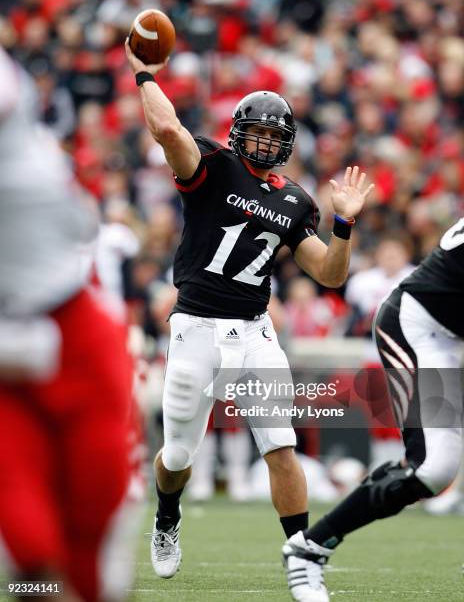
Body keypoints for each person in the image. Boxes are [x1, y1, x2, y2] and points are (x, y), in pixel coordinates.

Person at [125, 40, 374, 580]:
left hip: (255, 332)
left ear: (286, 144)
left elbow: (329, 274)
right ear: (239, 132)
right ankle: (167, 515)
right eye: (256, 132)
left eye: (273, 136)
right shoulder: (213, 165)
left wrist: (344, 225)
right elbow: (168, 131)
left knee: (280, 444)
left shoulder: (297, 200)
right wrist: (146, 76)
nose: (263, 143)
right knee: (176, 456)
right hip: (194, 324)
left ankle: (303, 555)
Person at [0, 46, 137, 601]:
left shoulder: (24, 157)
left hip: (71, 330)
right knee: (32, 558)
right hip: (11, 370)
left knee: (92, 555)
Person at [282, 217, 464, 601]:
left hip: (449, 333)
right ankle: (309, 549)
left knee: (438, 468)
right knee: (432, 467)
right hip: (419, 328)